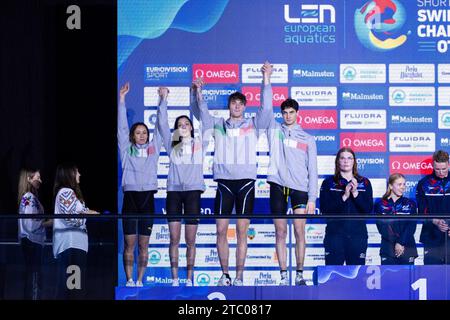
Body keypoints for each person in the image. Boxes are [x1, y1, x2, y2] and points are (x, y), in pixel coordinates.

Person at [196, 61, 273, 286]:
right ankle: (225, 275)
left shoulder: (253, 124)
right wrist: (198, 92)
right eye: (233, 102)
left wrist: (265, 79)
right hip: (224, 184)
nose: (237, 106)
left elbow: (267, 109)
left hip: (247, 183)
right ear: (229, 105)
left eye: (241, 103)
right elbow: (202, 113)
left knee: (242, 233)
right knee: (221, 231)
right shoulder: (218, 124)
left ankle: (239, 277)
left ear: (245, 106)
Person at [157, 84, 209, 286]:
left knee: (191, 241)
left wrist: (198, 94)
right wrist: (163, 100)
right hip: (174, 193)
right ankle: (175, 279)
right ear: (177, 129)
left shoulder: (200, 144)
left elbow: (205, 118)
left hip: (194, 193)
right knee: (174, 239)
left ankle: (189, 279)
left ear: (191, 127)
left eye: (187, 122)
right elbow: (161, 124)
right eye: (180, 123)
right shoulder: (173, 145)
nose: (184, 124)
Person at [265, 98, 317, 286]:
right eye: (285, 113)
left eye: (291, 112)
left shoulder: (308, 139)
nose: (288, 116)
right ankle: (283, 276)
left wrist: (312, 198)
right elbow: (265, 108)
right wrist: (267, 78)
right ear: (281, 114)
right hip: (278, 186)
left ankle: (300, 274)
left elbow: (313, 171)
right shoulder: (274, 131)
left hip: (300, 189)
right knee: (280, 232)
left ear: (297, 113)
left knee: (299, 231)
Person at [118, 82, 162, 287]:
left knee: (144, 245)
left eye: (145, 132)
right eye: (138, 132)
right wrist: (122, 100)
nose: (142, 135)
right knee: (129, 244)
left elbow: (160, 129)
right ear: (132, 136)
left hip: (147, 200)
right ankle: (128, 280)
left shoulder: (153, 150)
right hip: (130, 199)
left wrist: (163, 101)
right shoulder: (127, 150)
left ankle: (140, 280)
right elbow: (121, 126)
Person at [319, 147, 373, 265]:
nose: (346, 161)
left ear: (354, 161)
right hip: (335, 235)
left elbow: (368, 210)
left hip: (358, 236)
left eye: (349, 158)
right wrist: (344, 196)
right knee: (332, 276)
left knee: (356, 276)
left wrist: (355, 193)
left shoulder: (365, 182)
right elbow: (325, 209)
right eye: (342, 158)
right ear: (338, 161)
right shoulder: (328, 182)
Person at [53, 163, 98, 299]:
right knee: (73, 289)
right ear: (70, 174)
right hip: (72, 246)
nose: (79, 175)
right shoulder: (66, 192)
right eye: (77, 172)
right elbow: (70, 217)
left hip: (74, 246)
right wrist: (87, 214)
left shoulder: (68, 193)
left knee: (73, 288)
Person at [18, 168, 51, 299]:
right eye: (38, 177)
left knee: (32, 277)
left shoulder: (28, 198)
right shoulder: (29, 198)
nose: (40, 181)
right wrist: (48, 223)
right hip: (32, 242)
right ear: (29, 178)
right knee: (34, 279)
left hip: (30, 242)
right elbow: (30, 224)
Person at [374, 173, 418, 265]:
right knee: (388, 279)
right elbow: (382, 228)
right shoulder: (380, 205)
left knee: (408, 279)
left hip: (407, 247)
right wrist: (396, 243)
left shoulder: (410, 204)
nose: (403, 187)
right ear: (390, 186)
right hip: (388, 248)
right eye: (399, 184)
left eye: (404, 184)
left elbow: (411, 226)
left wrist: (400, 243)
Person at [417, 150, 450, 264]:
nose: (441, 172)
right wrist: (435, 221)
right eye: (437, 169)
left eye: (444, 169)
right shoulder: (424, 183)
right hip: (431, 234)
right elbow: (422, 209)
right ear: (433, 165)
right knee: (432, 274)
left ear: (448, 164)